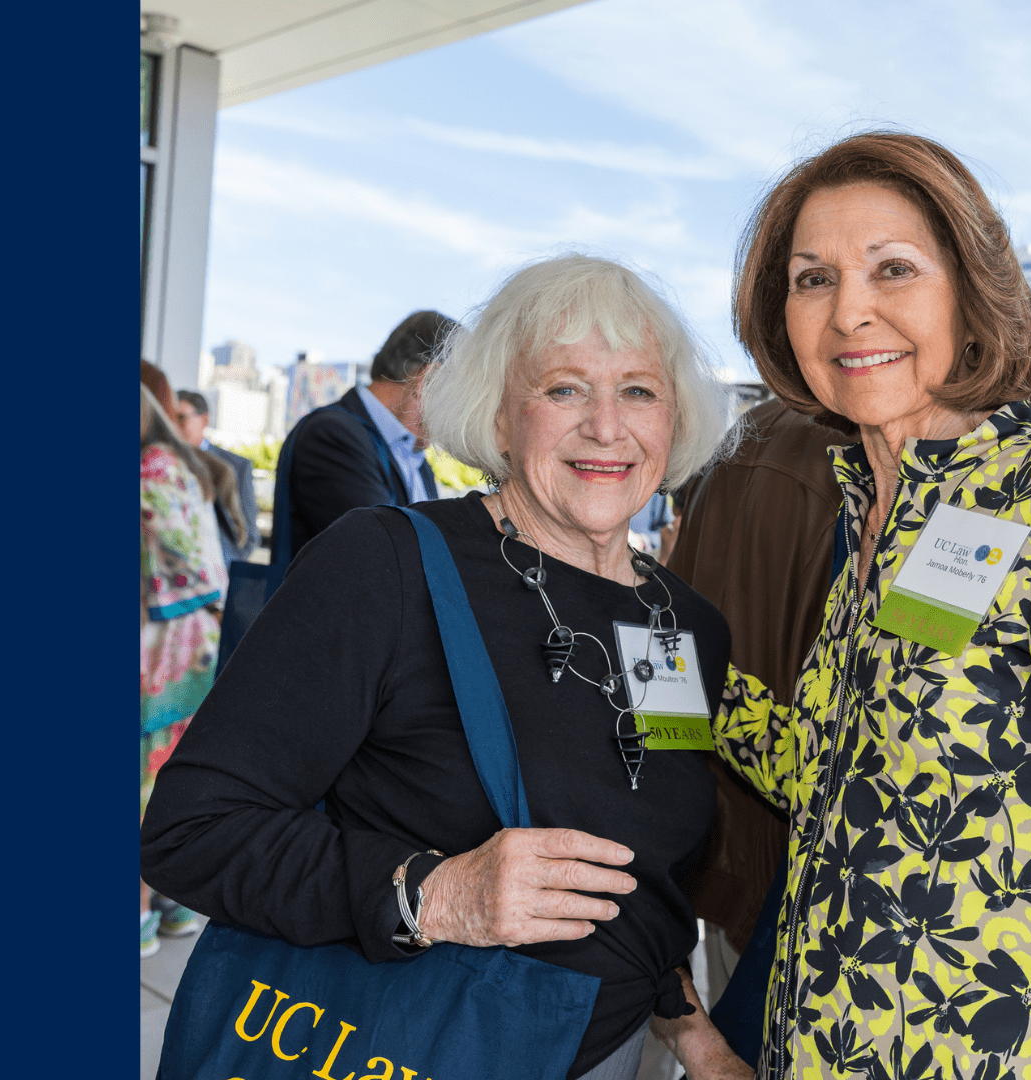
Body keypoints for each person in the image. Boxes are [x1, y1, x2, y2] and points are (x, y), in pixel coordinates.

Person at [140, 255, 754, 1080]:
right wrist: (437, 896)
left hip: (611, 1052)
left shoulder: (683, 628)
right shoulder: (383, 566)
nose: (607, 427)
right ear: (500, 416)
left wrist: (685, 1024)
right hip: (409, 1043)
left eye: (639, 390)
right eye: (565, 388)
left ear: (675, 418)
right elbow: (189, 830)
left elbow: (644, 863)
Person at [713, 131, 1031, 1077]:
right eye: (813, 279)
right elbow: (823, 771)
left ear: (970, 298)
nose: (851, 310)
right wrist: (655, 651)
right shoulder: (875, 514)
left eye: (893, 269)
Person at [665, 397, 848, 1063]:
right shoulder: (881, 474)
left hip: (716, 830)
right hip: (801, 867)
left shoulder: (745, 436)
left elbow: (663, 643)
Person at [139, 384, 230, 956]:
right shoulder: (181, 463)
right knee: (168, 768)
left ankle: (143, 911)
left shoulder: (152, 467)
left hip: (164, 642)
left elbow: (175, 551)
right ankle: (171, 905)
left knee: (148, 774)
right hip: (190, 640)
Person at [276, 310, 459, 561]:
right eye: (464, 392)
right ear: (428, 379)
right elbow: (387, 556)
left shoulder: (415, 459)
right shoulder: (332, 436)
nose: (464, 411)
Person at [172, 389, 260, 566]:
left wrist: (216, 569)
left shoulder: (234, 467)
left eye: (181, 418)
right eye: (170, 418)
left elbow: (248, 535)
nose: (173, 425)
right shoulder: (159, 462)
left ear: (204, 420)